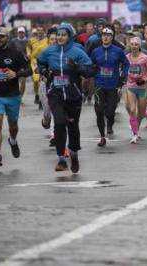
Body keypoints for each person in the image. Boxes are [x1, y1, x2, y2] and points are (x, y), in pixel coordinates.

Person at [38, 23, 93, 173]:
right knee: (60, 123)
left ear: (69, 36)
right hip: (55, 93)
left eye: (64, 34)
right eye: (59, 35)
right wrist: (44, 71)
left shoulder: (78, 51)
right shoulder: (49, 51)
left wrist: (76, 67)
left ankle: (74, 154)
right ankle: (61, 158)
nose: (60, 37)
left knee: (73, 127)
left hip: (73, 95)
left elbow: (89, 70)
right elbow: (40, 62)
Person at [0, 27, 32, 166]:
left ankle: (13, 141)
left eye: (1, 37)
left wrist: (16, 74)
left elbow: (29, 70)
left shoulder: (16, 54)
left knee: (13, 126)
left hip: (13, 95)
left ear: (7, 38)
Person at [90, 27, 129, 147]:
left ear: (112, 37)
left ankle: (110, 124)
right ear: (101, 37)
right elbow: (90, 65)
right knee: (99, 111)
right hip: (99, 85)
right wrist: (92, 69)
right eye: (103, 35)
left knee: (110, 112)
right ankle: (102, 136)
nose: (105, 37)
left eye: (108, 35)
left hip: (113, 85)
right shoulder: (96, 51)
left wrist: (123, 76)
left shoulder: (118, 51)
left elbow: (126, 64)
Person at [125, 37, 147, 144]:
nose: (134, 46)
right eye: (132, 44)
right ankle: (135, 133)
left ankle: (136, 128)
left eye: (136, 44)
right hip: (131, 86)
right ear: (130, 45)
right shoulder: (126, 57)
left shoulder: (145, 58)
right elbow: (122, 70)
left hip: (143, 88)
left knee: (141, 113)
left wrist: (145, 80)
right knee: (132, 110)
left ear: (139, 46)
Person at [27, 25, 48, 107]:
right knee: (36, 80)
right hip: (34, 62)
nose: (39, 32)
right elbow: (28, 47)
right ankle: (37, 94)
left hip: (44, 61)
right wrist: (28, 53)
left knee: (43, 80)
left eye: (41, 30)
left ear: (43, 31)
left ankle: (41, 99)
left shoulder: (47, 40)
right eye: (38, 30)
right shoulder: (32, 40)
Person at [10, 27, 29, 101]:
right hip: (15, 63)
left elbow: (30, 51)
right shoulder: (13, 41)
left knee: (23, 81)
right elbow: (10, 50)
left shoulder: (28, 41)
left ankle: (20, 97)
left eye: (22, 32)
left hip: (24, 63)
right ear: (17, 33)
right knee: (15, 81)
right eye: (20, 32)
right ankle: (16, 96)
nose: (21, 34)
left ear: (24, 33)